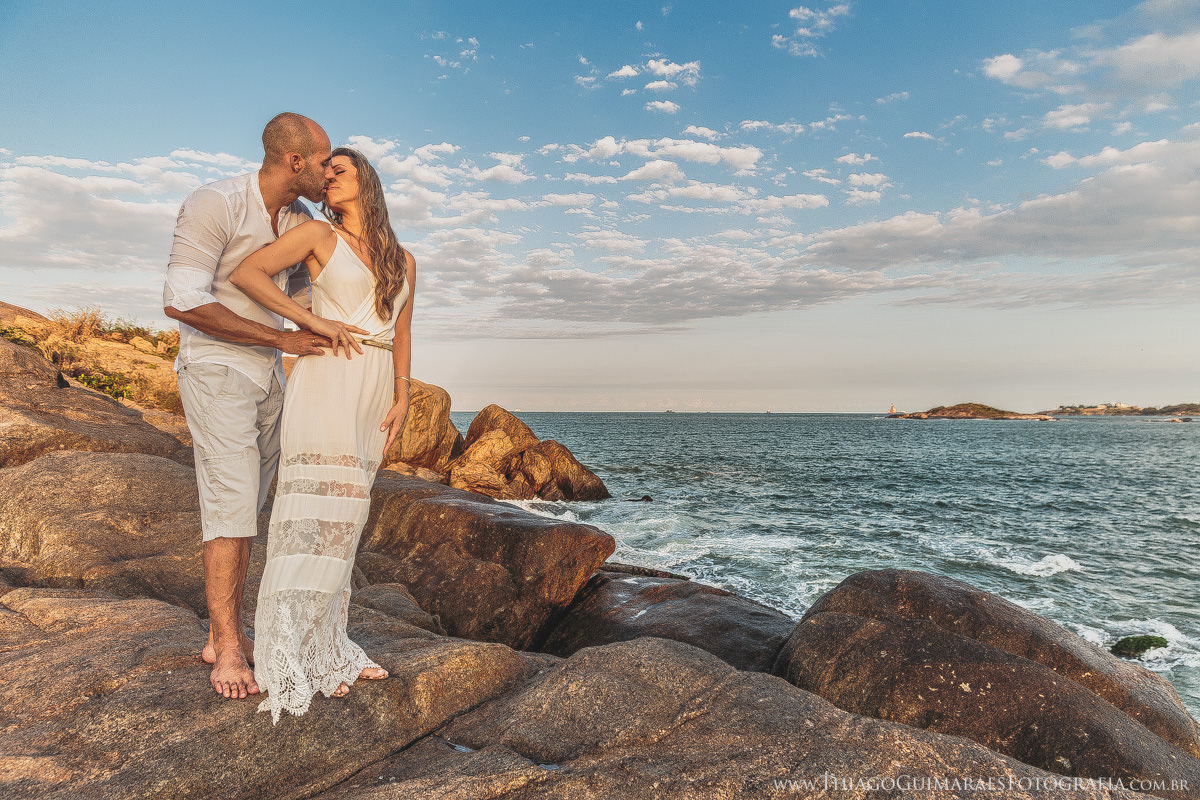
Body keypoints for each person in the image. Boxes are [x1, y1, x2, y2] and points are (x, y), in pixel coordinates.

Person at [163, 112, 360, 700]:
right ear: (294, 161)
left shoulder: (298, 219)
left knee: (251, 504)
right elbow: (180, 300)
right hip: (217, 367)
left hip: (272, 376)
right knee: (230, 502)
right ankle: (226, 647)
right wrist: (281, 337)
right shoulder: (214, 202)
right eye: (324, 160)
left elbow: (302, 292)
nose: (330, 169)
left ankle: (230, 630)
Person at [230, 146, 415, 722]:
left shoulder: (404, 259)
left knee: (348, 519)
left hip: (375, 383)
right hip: (329, 375)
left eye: (340, 170)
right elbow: (247, 273)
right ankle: (286, 653)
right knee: (312, 515)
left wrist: (404, 394)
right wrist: (309, 321)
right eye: (324, 171)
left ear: (368, 181)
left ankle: (328, 645)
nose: (327, 177)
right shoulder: (316, 234)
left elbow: (403, 328)